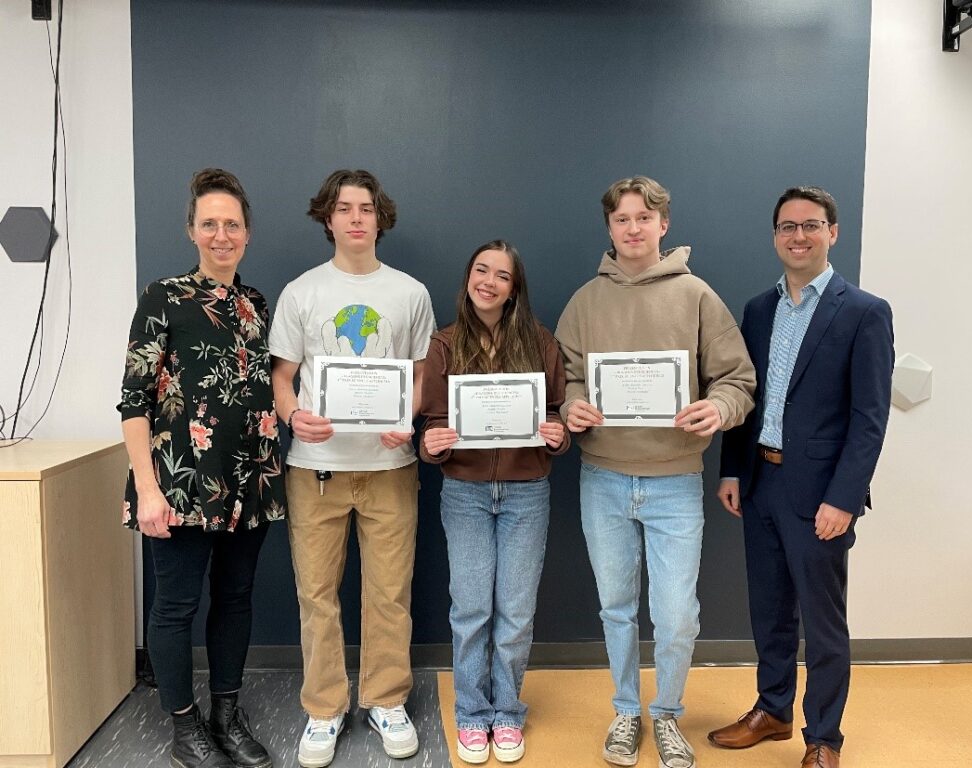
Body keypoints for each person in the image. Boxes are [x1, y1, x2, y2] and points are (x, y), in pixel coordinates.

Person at [555, 176, 756, 768]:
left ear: (664, 225)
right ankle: (626, 711)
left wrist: (717, 409)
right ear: (610, 229)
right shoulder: (586, 302)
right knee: (615, 606)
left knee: (673, 614)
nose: (634, 228)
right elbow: (563, 378)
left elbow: (738, 380)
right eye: (622, 219)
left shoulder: (696, 296)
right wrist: (571, 406)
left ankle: (666, 714)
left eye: (645, 217)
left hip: (674, 482)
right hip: (604, 478)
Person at [707, 187, 895, 768]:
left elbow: (869, 420)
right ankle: (774, 710)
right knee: (768, 608)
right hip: (760, 483)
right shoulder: (759, 310)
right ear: (775, 236)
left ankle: (824, 739)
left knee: (823, 620)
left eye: (810, 225)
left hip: (820, 497)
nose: (798, 236)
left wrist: (844, 499)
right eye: (787, 226)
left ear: (832, 232)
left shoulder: (864, 311)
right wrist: (733, 469)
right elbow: (747, 393)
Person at [119, 168, 285, 768]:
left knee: (236, 599)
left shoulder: (256, 304)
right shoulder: (162, 298)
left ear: (247, 234)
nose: (222, 234)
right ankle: (184, 726)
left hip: (250, 482)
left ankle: (225, 713)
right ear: (192, 231)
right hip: (179, 484)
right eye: (210, 223)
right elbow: (133, 401)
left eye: (232, 224)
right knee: (175, 606)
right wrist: (147, 488)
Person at [268, 169, 435, 767]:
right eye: (345, 208)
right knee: (317, 594)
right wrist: (292, 418)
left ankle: (385, 699)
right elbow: (282, 377)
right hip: (315, 466)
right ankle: (325, 708)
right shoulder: (302, 292)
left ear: (380, 218)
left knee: (389, 592)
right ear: (329, 219)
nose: (357, 217)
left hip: (390, 466)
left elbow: (420, 376)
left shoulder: (410, 293)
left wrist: (409, 417)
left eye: (367, 208)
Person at [419, 240, 569, 764]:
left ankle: (506, 712)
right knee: (472, 609)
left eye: (501, 275)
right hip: (464, 492)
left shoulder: (541, 342)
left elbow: (556, 415)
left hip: (528, 493)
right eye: (480, 269)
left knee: (516, 610)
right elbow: (434, 422)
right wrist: (431, 444)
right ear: (468, 278)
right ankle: (471, 713)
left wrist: (558, 436)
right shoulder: (444, 343)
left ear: (514, 288)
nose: (488, 281)